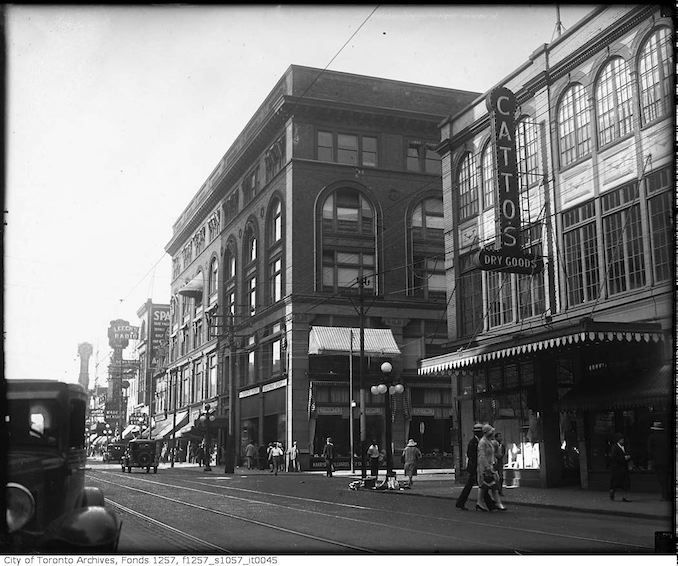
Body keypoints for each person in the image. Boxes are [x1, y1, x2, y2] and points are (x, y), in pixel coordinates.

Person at [477, 424, 506, 511]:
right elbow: (482, 456)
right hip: (485, 468)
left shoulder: (489, 441)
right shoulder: (482, 442)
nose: (493, 433)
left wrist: (494, 462)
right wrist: (486, 467)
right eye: (491, 432)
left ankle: (497, 503)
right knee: (484, 486)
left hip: (490, 466)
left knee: (493, 486)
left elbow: (493, 453)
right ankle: (480, 502)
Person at [455, 423, 482, 510]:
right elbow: (471, 456)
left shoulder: (477, 441)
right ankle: (460, 502)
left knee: (482, 485)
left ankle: (489, 503)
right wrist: (475, 467)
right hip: (474, 467)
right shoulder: (473, 442)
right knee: (474, 485)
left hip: (476, 467)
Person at [647, 421, 670, 500]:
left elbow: (649, 451)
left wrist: (650, 460)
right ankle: (668, 494)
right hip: (667, 460)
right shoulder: (666, 436)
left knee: (661, 479)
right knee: (667, 478)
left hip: (657, 461)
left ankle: (665, 495)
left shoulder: (652, 437)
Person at [609, 432, 632, 501]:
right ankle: (612, 492)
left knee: (626, 483)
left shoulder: (625, 446)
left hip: (624, 468)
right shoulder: (615, 447)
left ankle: (624, 497)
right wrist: (624, 458)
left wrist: (628, 457)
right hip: (617, 468)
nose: (623, 441)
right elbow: (614, 457)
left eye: (623, 439)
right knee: (616, 483)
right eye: (621, 439)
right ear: (618, 440)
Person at [492, 431, 506, 495]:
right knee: (494, 477)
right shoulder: (493, 444)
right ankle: (495, 490)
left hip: (500, 462)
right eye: (499, 436)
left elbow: (503, 452)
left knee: (501, 477)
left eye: (501, 436)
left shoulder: (502, 445)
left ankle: (500, 490)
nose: (501, 438)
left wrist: (501, 456)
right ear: (496, 438)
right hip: (494, 462)